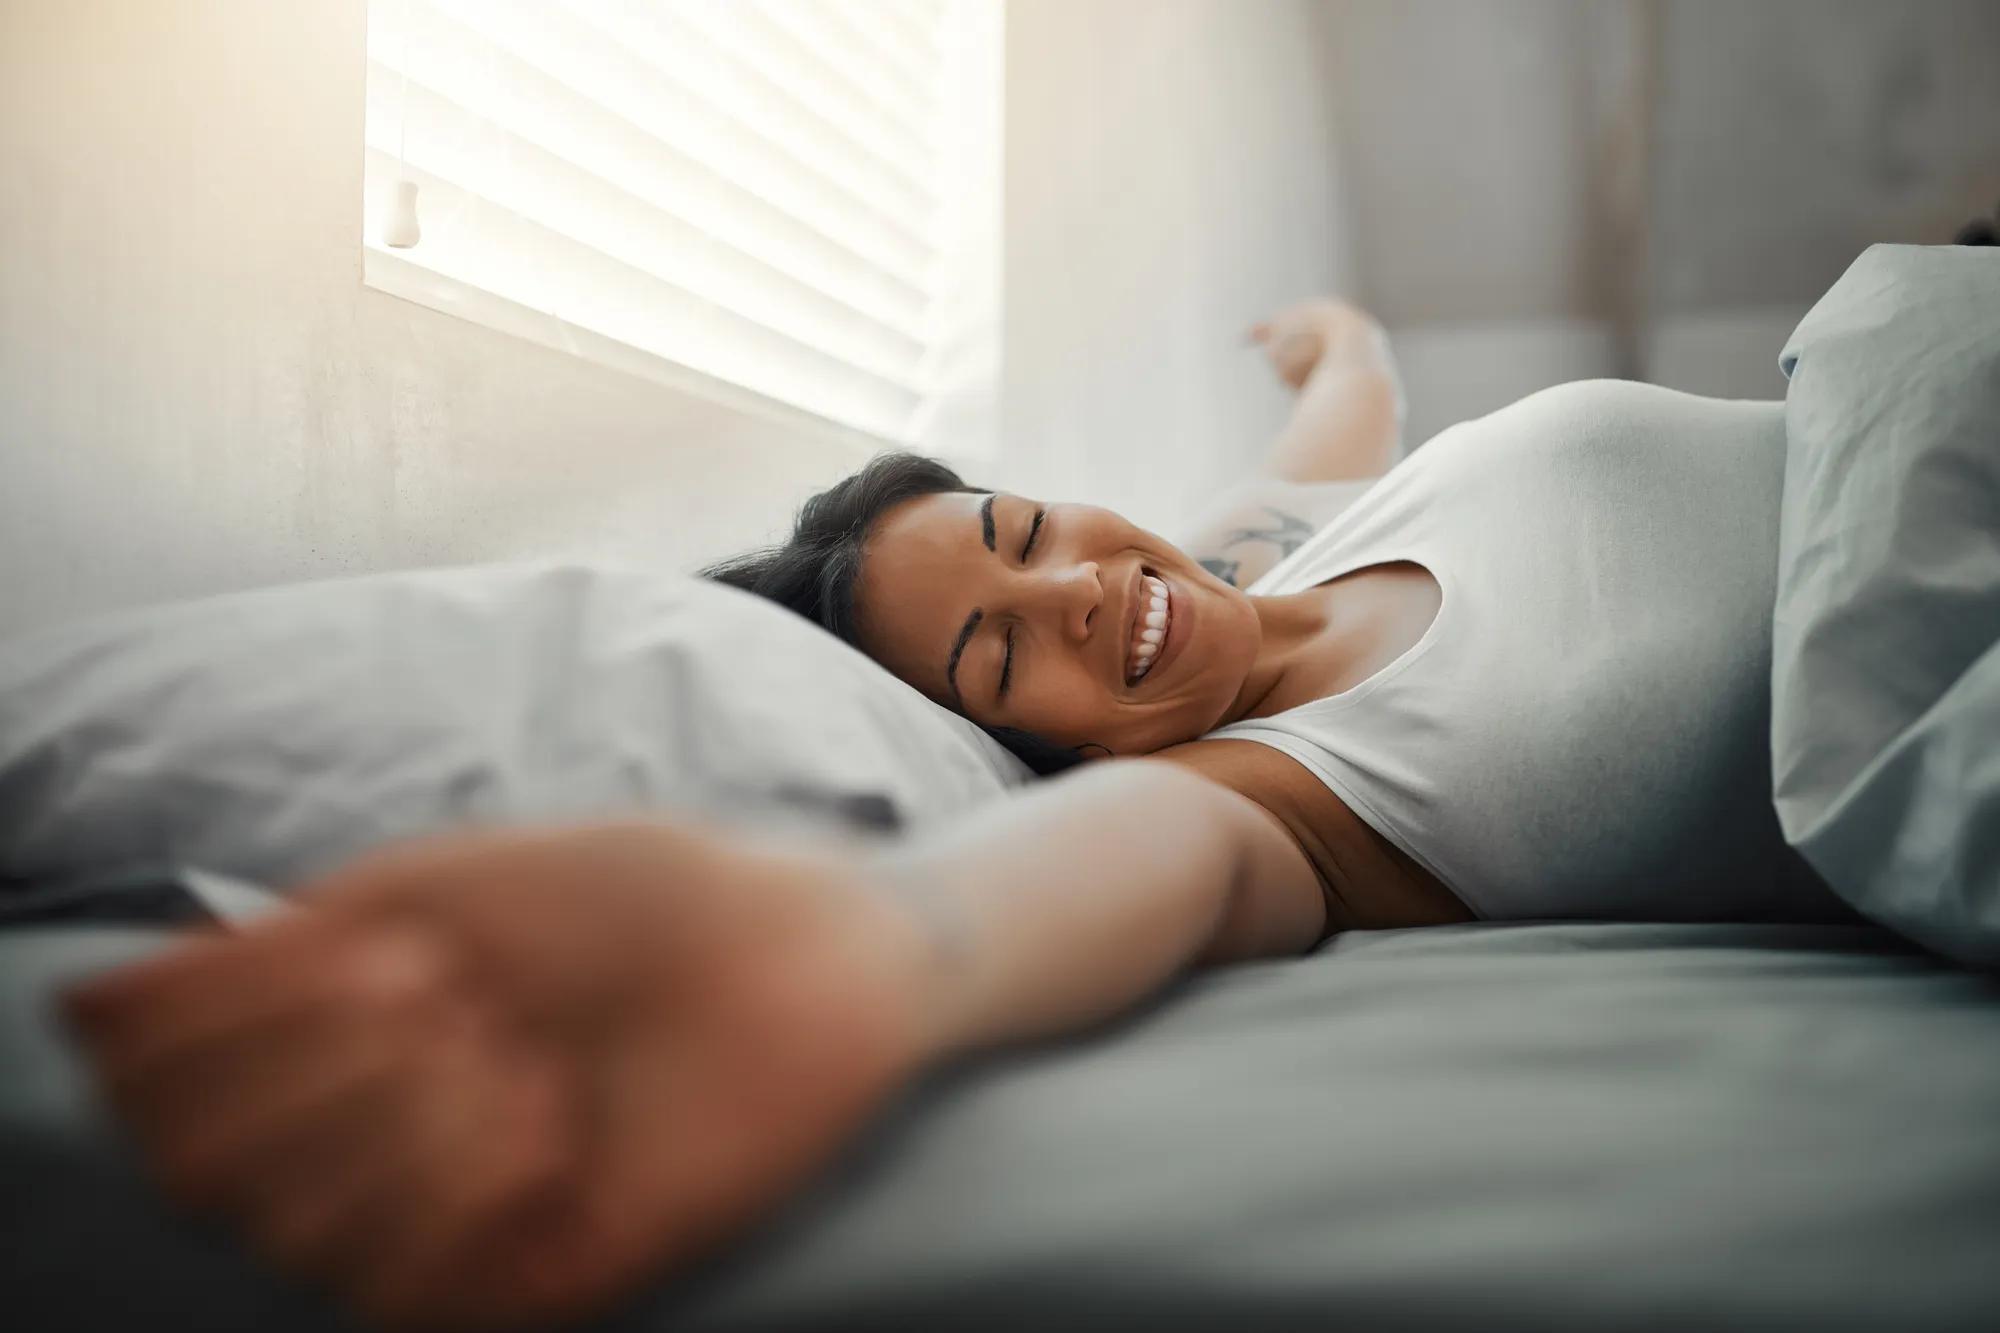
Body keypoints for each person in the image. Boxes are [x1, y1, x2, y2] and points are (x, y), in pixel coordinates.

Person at [61, 299, 1840, 1329]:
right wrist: (825, 955)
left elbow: (1338, 426)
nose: (1073, 587)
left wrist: (1335, 338)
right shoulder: (1273, 800)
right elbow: (1003, 905)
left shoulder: (1262, 546)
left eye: (1020, 529)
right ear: (1048, 754)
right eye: (1002, 663)